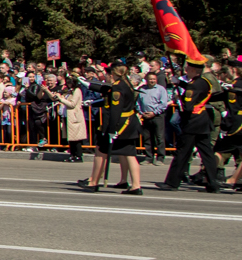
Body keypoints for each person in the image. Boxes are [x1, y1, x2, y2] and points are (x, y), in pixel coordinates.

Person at [156, 54, 225, 193]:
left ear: (194, 70)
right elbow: (198, 92)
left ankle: (172, 182)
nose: (186, 70)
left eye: (189, 68)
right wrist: (181, 83)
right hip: (203, 121)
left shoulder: (193, 85)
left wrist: (180, 97)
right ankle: (213, 183)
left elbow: (188, 106)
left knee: (182, 152)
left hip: (192, 122)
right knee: (207, 153)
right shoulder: (204, 82)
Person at [79, 61, 142, 194]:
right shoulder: (126, 84)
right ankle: (136, 185)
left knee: (101, 152)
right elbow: (106, 89)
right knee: (130, 154)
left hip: (121, 125)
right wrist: (89, 84)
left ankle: (93, 182)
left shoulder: (118, 88)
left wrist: (112, 130)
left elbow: (115, 111)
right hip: (129, 123)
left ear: (113, 73)